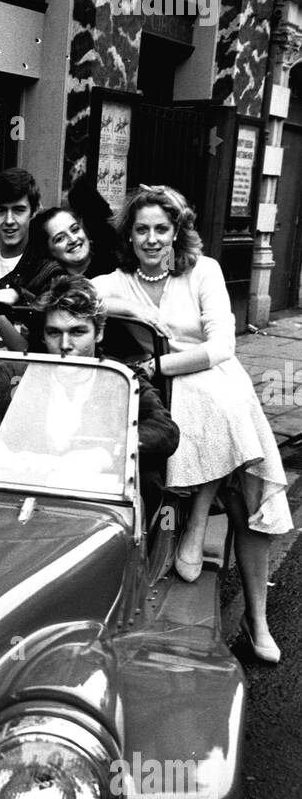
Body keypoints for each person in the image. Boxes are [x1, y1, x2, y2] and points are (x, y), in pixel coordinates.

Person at [91, 184, 291, 662]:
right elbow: (71, 299)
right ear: (129, 235)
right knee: (228, 444)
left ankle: (256, 617)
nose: (152, 239)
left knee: (247, 492)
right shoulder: (115, 281)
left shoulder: (205, 270)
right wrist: (130, 308)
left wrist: (160, 365)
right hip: (172, 401)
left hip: (213, 384)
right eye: (142, 229)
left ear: (178, 231)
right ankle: (199, 513)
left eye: (163, 228)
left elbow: (222, 346)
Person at [0, 277, 179, 521]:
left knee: (150, 478)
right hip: (24, 498)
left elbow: (164, 431)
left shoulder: (123, 377)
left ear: (98, 333)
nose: (65, 345)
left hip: (96, 505)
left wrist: (106, 454)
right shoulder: (22, 370)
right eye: (54, 332)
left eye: (78, 332)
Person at [0, 167, 63, 349]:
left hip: (19, 369)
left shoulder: (46, 266)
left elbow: (35, 343)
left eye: (18, 210)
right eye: (1, 211)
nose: (9, 220)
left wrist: (14, 295)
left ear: (33, 212)